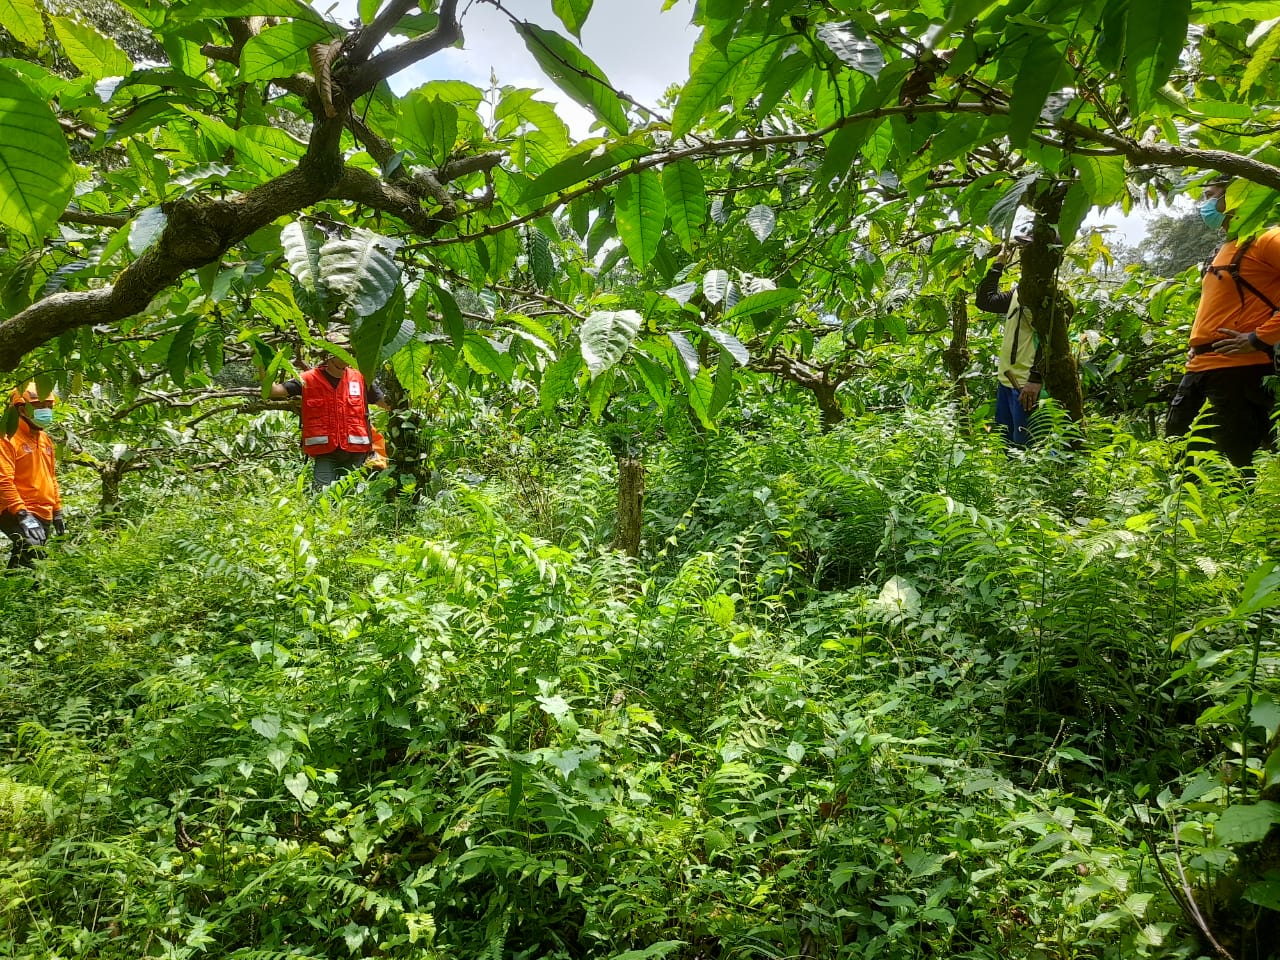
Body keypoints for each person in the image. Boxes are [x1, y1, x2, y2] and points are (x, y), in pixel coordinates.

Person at [1165, 179, 1280, 470]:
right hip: (1200, 367)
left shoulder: (1266, 239)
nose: (1204, 205)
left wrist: (1259, 338)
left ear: (1237, 197)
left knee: (1236, 462)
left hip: (1241, 371)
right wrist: (1197, 345)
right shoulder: (1223, 249)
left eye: (1210, 196)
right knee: (1178, 450)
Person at [268, 347, 389, 489]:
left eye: (349, 353)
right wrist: (264, 363)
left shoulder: (360, 378)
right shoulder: (308, 379)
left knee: (349, 496)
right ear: (331, 356)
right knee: (321, 494)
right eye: (343, 353)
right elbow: (272, 391)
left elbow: (386, 404)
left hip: (356, 451)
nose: (348, 356)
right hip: (325, 450)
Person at [975, 234, 1045, 448]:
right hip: (1007, 381)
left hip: (1026, 385)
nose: (1025, 256)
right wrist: (998, 264)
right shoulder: (1020, 291)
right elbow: (986, 301)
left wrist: (1036, 379)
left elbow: (1051, 340)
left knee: (1027, 448)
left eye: (1029, 250)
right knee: (1007, 446)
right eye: (1023, 250)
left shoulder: (1052, 292)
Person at [0, 384, 65, 568]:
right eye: (39, 406)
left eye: (49, 406)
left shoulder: (45, 439)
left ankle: (14, 593)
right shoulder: (7, 438)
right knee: (31, 548)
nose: (46, 411)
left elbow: (51, 476)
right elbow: (3, 479)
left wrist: (57, 510)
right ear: (22, 409)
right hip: (14, 509)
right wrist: (22, 514)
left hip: (43, 510)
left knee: (30, 562)